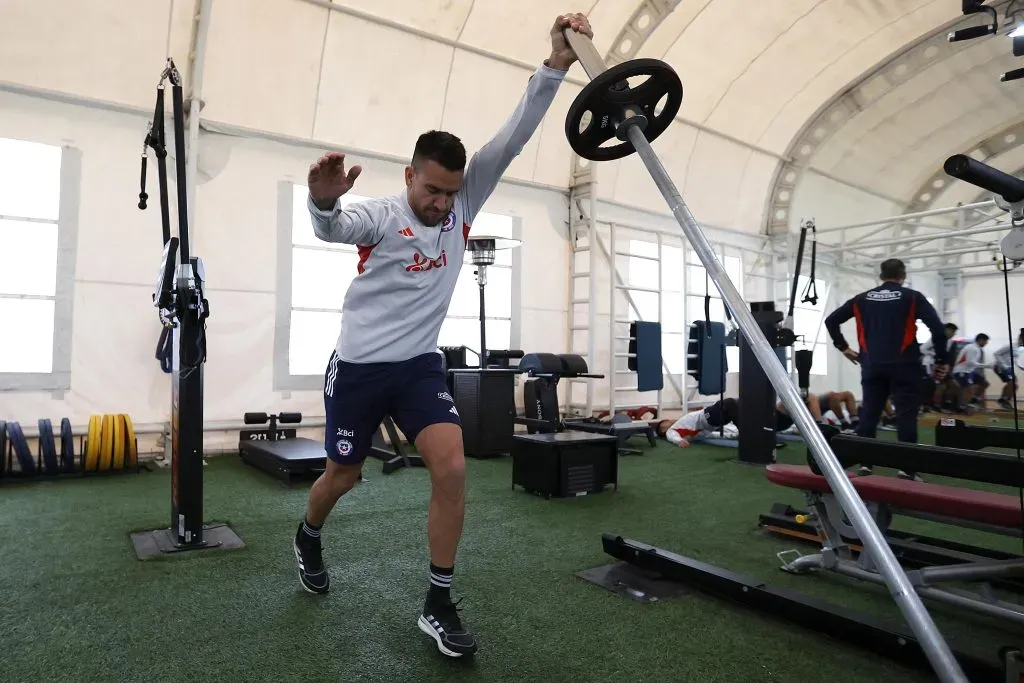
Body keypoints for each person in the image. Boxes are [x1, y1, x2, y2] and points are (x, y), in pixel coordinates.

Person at [292, 13, 594, 659]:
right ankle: (309, 533)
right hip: (361, 368)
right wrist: (320, 202)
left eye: (450, 193)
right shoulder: (378, 213)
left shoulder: (462, 199)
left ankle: (437, 601)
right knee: (341, 475)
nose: (441, 204)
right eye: (432, 190)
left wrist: (557, 64)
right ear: (409, 176)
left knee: (452, 466)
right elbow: (332, 228)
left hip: (419, 367)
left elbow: (512, 138)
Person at [824, 258, 948, 456]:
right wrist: (942, 361)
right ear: (903, 276)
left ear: (881, 276)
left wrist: (844, 347)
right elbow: (938, 330)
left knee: (869, 414)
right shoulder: (913, 297)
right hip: (905, 366)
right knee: (906, 415)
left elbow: (831, 321)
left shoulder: (861, 299)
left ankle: (865, 464)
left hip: (872, 365)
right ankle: (906, 469)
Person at [656, 398, 740, 447]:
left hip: (712, 421)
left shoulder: (686, 430)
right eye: (664, 423)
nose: (668, 420)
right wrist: (679, 441)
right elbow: (672, 436)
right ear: (662, 430)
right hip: (706, 417)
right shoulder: (671, 430)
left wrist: (733, 436)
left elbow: (713, 435)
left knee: (738, 403)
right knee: (730, 403)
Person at [952, 333, 991, 407]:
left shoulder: (977, 349)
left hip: (969, 371)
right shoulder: (972, 348)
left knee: (985, 383)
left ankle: (974, 399)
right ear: (980, 340)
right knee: (968, 390)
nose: (987, 343)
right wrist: (986, 366)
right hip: (961, 371)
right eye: (986, 341)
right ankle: (963, 406)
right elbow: (970, 362)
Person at [992, 330, 1024, 409]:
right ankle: (1004, 400)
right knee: (1011, 383)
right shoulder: (1011, 346)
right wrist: (1003, 365)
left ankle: (1003, 400)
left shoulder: (1019, 349)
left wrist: (1020, 367)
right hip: (1000, 367)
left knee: (1015, 386)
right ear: (1021, 338)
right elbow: (996, 353)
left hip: (1009, 368)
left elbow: (1014, 359)